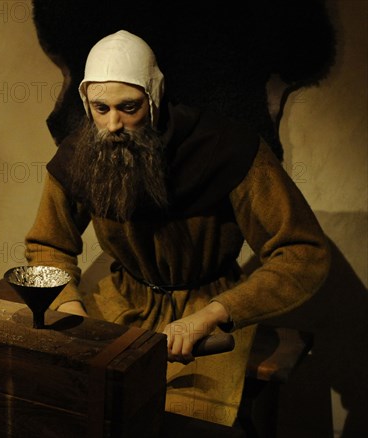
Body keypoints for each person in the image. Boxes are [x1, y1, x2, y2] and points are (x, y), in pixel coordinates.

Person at [24, 30, 330, 426]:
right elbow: (47, 247)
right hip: (120, 303)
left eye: (129, 107)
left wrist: (216, 314)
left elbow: (302, 252)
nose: (113, 124)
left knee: (186, 421)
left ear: (153, 98)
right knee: (81, 407)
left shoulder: (228, 150)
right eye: (100, 108)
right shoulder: (80, 153)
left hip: (206, 317)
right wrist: (73, 312)